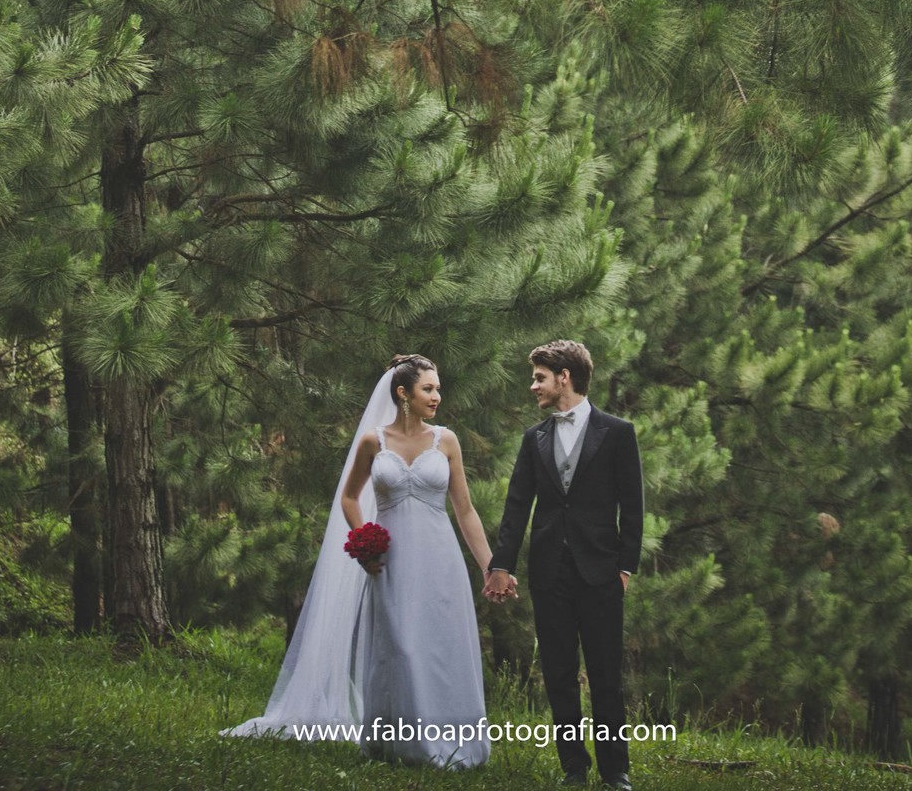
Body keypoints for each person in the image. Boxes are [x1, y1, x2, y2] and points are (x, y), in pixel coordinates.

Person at [223, 353, 496, 769]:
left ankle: (455, 743)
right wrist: (364, 540)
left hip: (440, 559)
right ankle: (398, 744)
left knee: (442, 646)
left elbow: (465, 510)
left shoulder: (447, 441)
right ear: (403, 394)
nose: (437, 396)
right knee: (400, 647)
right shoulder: (374, 441)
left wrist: (489, 566)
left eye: (438, 388)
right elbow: (350, 498)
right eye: (428, 388)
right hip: (391, 560)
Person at [484, 339, 643, 790]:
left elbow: (633, 507)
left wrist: (625, 567)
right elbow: (517, 507)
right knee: (557, 673)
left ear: (564, 377)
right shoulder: (534, 439)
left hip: (602, 572)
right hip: (550, 571)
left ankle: (616, 770)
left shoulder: (616, 433)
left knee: (606, 673)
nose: (532, 385)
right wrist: (502, 564)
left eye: (539, 377)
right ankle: (574, 766)